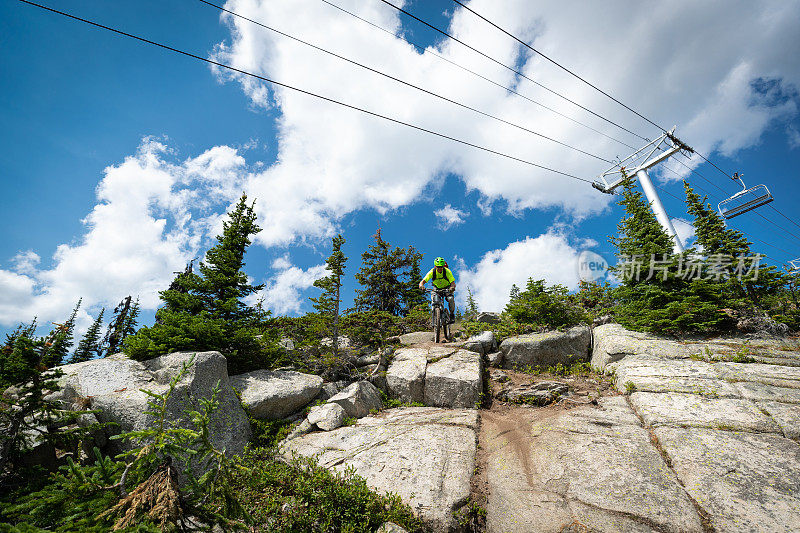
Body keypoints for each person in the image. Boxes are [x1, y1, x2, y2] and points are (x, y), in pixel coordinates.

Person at [418, 257, 456, 324]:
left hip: (447, 288)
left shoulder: (447, 271)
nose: (439, 268)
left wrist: (452, 288)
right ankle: (435, 318)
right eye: (438, 267)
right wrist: (421, 285)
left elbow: (453, 284)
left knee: (450, 299)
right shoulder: (432, 272)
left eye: (441, 267)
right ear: (435, 266)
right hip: (436, 288)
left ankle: (452, 315)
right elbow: (423, 281)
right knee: (434, 301)